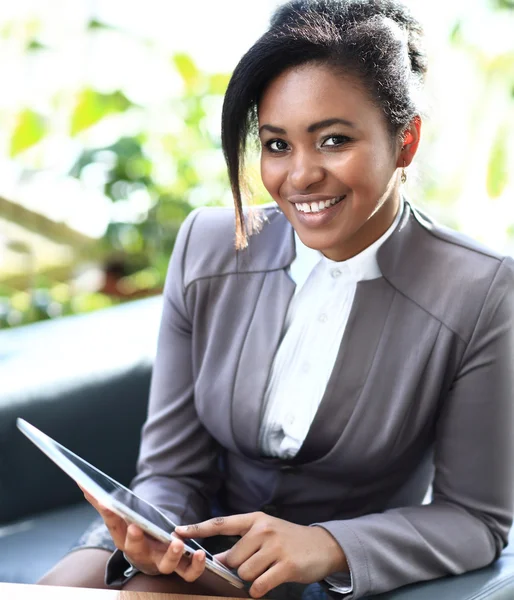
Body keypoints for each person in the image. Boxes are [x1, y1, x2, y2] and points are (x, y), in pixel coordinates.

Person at [39, 0, 514, 598]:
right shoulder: (210, 245)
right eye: (277, 144)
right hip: (189, 548)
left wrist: (331, 545)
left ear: (406, 140)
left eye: (333, 140)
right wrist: (151, 530)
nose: (301, 176)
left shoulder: (482, 288)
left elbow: (476, 520)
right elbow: (171, 470)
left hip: (321, 573)